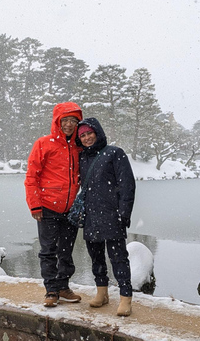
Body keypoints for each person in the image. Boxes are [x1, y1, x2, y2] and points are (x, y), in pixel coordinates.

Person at [24, 101, 84, 308]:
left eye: (73, 121)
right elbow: (32, 176)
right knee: (48, 250)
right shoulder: (44, 143)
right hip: (48, 207)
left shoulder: (79, 147)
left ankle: (63, 286)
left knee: (66, 251)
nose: (69, 124)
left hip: (71, 209)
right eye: (65, 120)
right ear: (57, 122)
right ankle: (51, 289)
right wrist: (35, 205)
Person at [75, 117, 136, 316]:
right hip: (91, 216)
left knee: (119, 258)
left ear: (97, 133)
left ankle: (126, 297)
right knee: (96, 257)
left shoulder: (114, 153)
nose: (86, 138)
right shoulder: (83, 158)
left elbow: (127, 186)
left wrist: (124, 214)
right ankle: (102, 292)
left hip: (112, 215)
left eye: (89, 133)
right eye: (82, 135)